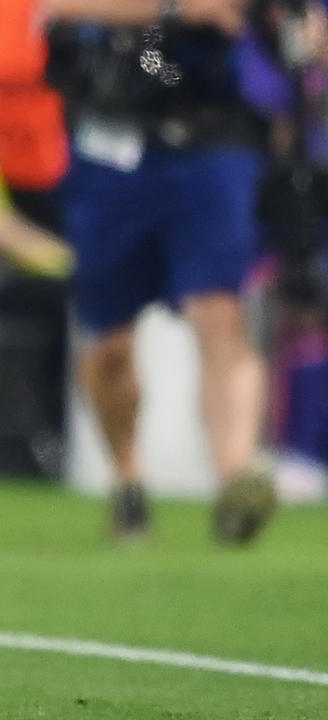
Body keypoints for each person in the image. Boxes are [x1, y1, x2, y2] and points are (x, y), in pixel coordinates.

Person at [44, 0, 279, 542]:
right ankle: (128, 483)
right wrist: (172, 9)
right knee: (109, 343)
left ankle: (234, 484)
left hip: (211, 135)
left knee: (218, 307)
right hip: (110, 141)